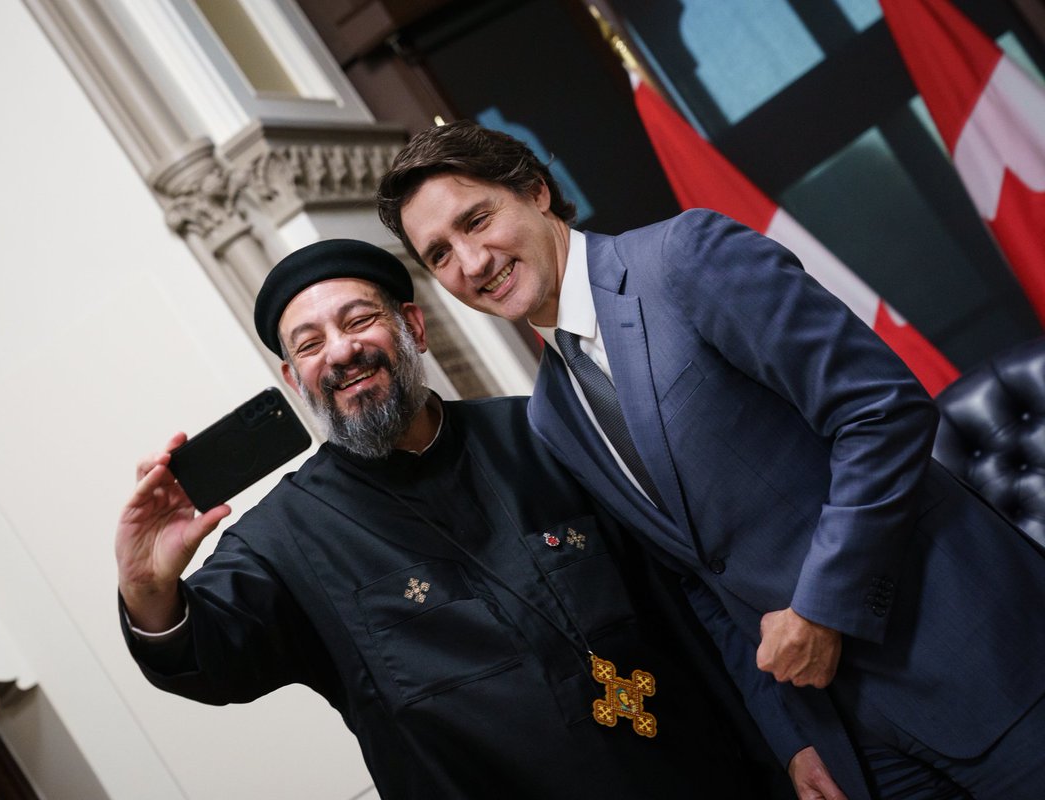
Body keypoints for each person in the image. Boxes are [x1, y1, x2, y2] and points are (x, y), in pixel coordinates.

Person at [377, 121, 1045, 800]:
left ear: (536, 191)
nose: (472, 262)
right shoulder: (551, 413)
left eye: (478, 220)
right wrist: (792, 738)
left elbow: (881, 413)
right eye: (440, 254)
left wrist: (822, 610)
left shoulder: (686, 256)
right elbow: (700, 576)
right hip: (850, 741)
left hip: (976, 656)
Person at [115, 239, 795, 799]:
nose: (342, 352)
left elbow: (688, 595)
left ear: (413, 329)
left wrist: (790, 744)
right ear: (296, 381)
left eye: (358, 320)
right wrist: (148, 587)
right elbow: (210, 659)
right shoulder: (281, 538)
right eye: (310, 344)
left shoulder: (544, 429)